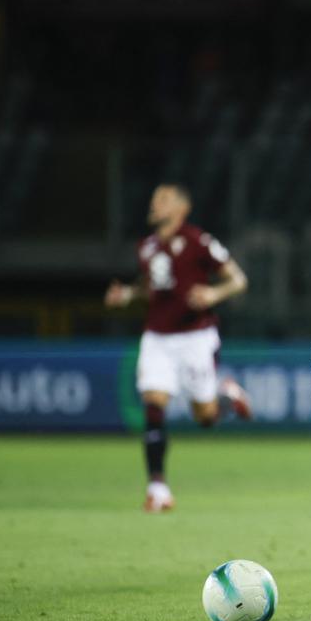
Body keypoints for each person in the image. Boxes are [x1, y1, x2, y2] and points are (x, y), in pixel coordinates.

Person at [105, 183, 252, 513]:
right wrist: (127, 296)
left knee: (205, 416)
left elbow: (238, 279)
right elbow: (153, 289)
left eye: (163, 199)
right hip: (157, 336)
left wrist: (213, 295)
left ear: (181, 209)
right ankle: (158, 488)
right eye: (155, 197)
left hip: (195, 337)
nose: (155, 203)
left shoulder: (199, 241)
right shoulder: (146, 247)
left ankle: (227, 398)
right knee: (154, 402)